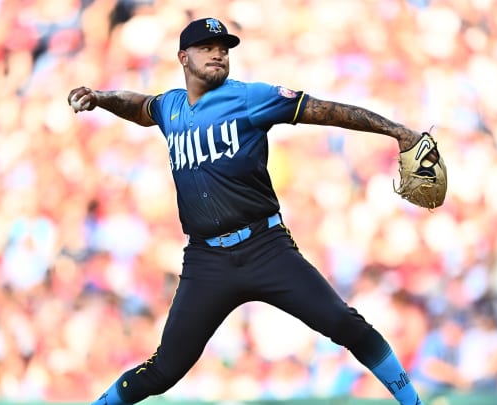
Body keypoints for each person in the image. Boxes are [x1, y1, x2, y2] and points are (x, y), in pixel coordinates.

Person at [68, 17, 428, 405]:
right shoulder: (170, 106)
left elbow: (325, 110)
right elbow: (140, 106)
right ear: (183, 57)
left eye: (223, 47)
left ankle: (413, 403)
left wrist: (398, 131)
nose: (219, 53)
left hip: (265, 246)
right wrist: (101, 98)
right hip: (206, 258)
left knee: (344, 323)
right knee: (164, 369)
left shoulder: (250, 97)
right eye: (207, 46)